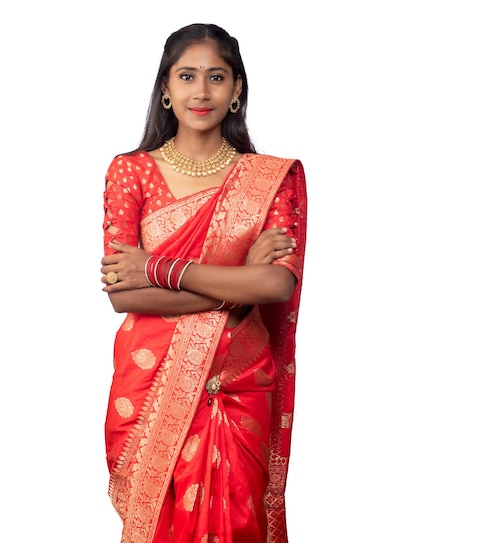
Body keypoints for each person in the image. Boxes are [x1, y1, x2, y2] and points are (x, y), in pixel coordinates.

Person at [99, 23, 307, 543]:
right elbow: (124, 294)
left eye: (217, 77)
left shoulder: (266, 178)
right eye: (187, 76)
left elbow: (276, 286)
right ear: (165, 89)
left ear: (237, 90)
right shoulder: (130, 172)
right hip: (148, 386)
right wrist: (238, 283)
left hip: (238, 385)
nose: (201, 91)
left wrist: (158, 268)